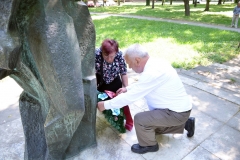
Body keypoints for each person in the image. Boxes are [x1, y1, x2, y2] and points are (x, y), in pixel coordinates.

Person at [97, 44, 195, 154]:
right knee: (149, 129)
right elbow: (143, 84)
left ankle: (149, 145)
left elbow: (130, 98)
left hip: (176, 113)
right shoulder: (156, 63)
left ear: (137, 60)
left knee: (140, 120)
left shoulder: (152, 73)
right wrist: (127, 89)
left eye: (130, 64)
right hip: (179, 110)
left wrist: (104, 105)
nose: (129, 68)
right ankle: (185, 124)